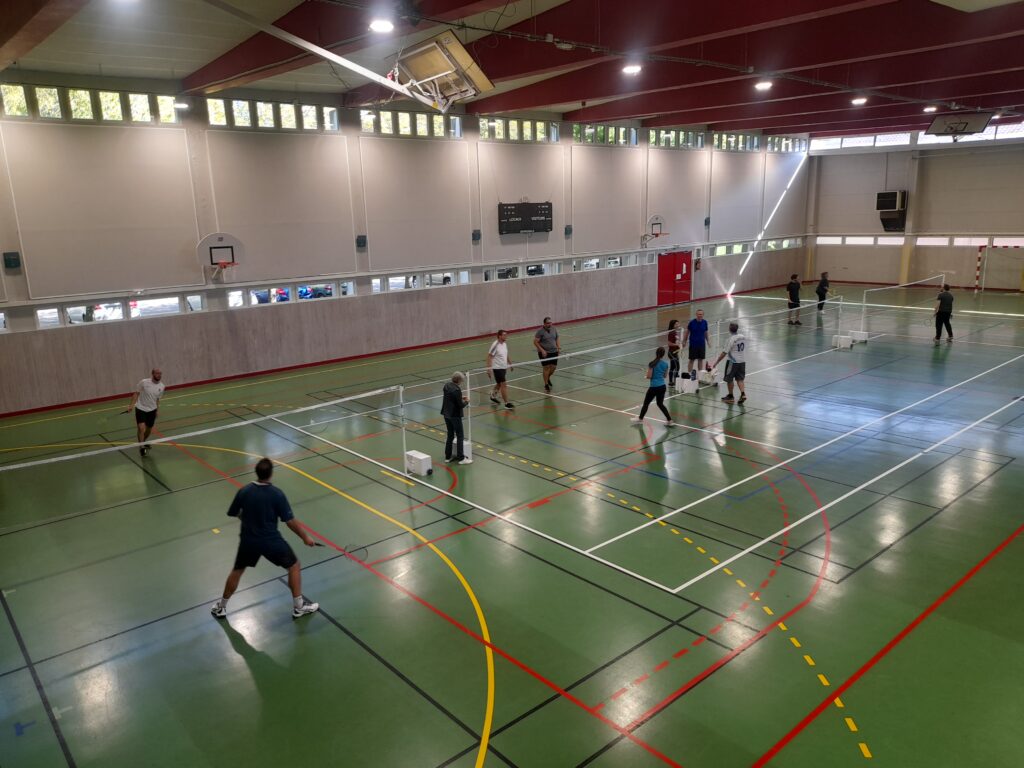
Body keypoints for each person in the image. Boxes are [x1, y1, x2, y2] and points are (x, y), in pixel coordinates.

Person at [211, 458, 319, 620]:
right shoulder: (277, 494)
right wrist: (305, 537)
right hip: (270, 541)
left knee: (237, 570)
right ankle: (299, 607)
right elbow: (289, 521)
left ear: (256, 472)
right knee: (294, 566)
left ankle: (221, 607)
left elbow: (233, 512)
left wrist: (246, 518)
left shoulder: (244, 491)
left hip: (248, 541)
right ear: (271, 474)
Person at [631, 347, 674, 426]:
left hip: (654, 387)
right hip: (662, 386)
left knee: (646, 404)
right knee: (660, 404)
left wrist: (646, 376)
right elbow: (665, 376)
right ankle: (670, 420)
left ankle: (640, 419)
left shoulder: (652, 364)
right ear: (663, 354)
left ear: (656, 353)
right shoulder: (665, 364)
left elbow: (649, 376)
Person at [128, 368, 165, 457]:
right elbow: (136, 393)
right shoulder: (144, 382)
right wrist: (131, 405)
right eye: (157, 373)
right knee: (141, 428)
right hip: (141, 408)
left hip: (152, 410)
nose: (159, 375)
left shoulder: (162, 386)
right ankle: (141, 447)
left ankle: (143, 442)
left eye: (160, 373)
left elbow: (157, 399)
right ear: (153, 374)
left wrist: (157, 410)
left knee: (149, 429)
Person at [712, 322, 747, 404]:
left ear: (729, 329)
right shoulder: (742, 337)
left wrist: (716, 362)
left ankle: (731, 396)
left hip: (732, 362)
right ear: (737, 328)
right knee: (740, 379)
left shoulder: (730, 339)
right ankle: (743, 394)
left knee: (729, 379)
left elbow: (724, 353)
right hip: (742, 361)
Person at [441, 372, 472, 464]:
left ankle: (448, 457)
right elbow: (460, 405)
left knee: (450, 435)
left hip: (446, 414)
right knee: (460, 435)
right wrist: (467, 401)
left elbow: (450, 397)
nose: (462, 382)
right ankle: (461, 458)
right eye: (461, 380)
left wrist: (460, 397)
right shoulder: (457, 390)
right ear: (458, 380)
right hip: (455, 415)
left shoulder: (446, 385)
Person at [487, 330, 515, 409]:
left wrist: (510, 364)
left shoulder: (504, 344)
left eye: (506, 335)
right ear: (499, 336)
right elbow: (489, 356)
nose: (506, 336)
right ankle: (507, 403)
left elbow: (506, 354)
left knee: (499, 384)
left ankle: (492, 395)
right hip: (497, 368)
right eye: (504, 335)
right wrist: (489, 369)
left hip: (503, 367)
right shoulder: (495, 345)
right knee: (503, 384)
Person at [533, 317, 560, 392]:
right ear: (544, 324)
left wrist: (558, 347)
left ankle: (547, 378)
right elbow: (535, 342)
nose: (549, 324)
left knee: (553, 368)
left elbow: (557, 338)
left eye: (550, 323)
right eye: (548, 323)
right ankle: (546, 384)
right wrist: (542, 350)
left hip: (554, 351)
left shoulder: (554, 329)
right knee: (546, 368)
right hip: (544, 353)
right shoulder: (540, 331)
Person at [682, 309, 710, 380]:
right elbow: (687, 332)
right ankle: (689, 374)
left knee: (700, 359)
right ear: (696, 315)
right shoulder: (692, 323)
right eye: (698, 314)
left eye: (701, 314)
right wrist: (684, 341)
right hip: (693, 344)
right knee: (692, 359)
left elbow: (706, 332)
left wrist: (708, 341)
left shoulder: (705, 322)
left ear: (703, 315)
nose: (700, 315)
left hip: (702, 344)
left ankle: (700, 375)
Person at [666, 319, 681, 387]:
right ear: (673, 325)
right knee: (676, 366)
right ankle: (672, 381)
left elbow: (676, 341)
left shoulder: (675, 332)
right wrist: (677, 345)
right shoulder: (671, 333)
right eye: (676, 324)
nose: (678, 325)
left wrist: (680, 345)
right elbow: (669, 343)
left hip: (675, 352)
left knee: (675, 367)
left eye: (678, 323)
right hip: (671, 353)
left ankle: (674, 380)